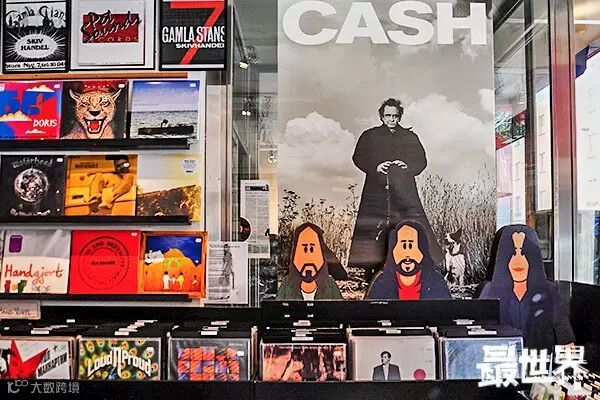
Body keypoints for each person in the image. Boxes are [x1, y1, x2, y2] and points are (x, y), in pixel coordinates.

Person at [348, 98, 442, 282]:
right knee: (374, 228)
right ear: (382, 117)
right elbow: (358, 157)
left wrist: (408, 166)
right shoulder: (370, 136)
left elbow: (421, 161)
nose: (391, 119)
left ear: (400, 117)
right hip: (376, 191)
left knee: (408, 227)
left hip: (403, 193)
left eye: (395, 116)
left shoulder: (410, 137)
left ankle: (413, 270)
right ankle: (371, 275)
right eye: (388, 116)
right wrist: (375, 166)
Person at [478, 225, 575, 350]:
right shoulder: (488, 290)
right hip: (500, 359)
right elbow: (477, 337)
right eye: (512, 252)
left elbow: (566, 339)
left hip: (538, 360)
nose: (518, 260)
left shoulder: (548, 290)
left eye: (524, 252)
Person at [366, 220, 451, 300]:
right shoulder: (381, 283)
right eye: (403, 246)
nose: (407, 254)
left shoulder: (436, 281)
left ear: (423, 250)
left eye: (411, 246)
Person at [277, 222, 343, 300]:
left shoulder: (330, 284)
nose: (308, 258)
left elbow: (341, 306)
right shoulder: (286, 284)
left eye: (312, 249)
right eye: (304, 249)